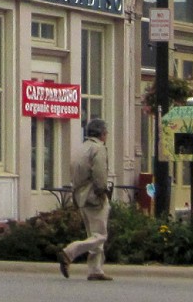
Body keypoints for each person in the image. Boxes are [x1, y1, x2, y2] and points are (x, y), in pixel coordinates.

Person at [58, 118, 112, 281]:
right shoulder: (98, 149)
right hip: (94, 195)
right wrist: (102, 191)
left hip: (80, 195)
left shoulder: (81, 148)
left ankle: (95, 269)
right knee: (101, 235)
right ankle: (69, 252)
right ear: (102, 134)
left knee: (92, 233)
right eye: (106, 133)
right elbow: (100, 173)